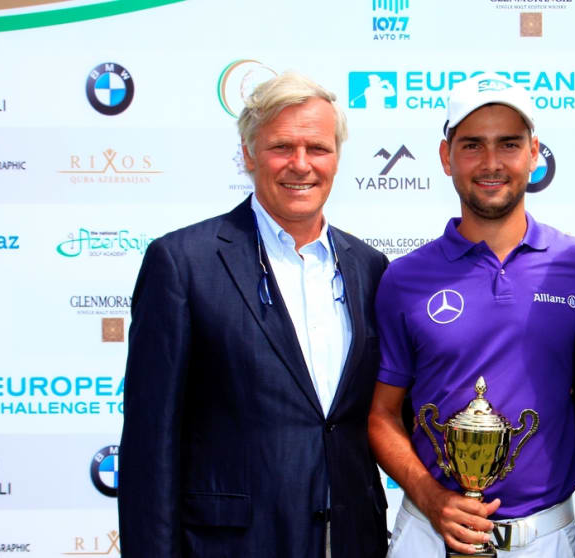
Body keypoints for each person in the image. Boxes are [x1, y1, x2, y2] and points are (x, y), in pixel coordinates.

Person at [118, 72, 389, 558]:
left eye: (318, 148)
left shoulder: (370, 268)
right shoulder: (183, 264)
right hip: (230, 545)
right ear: (248, 153)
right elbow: (149, 443)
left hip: (352, 541)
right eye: (282, 146)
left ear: (337, 158)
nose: (301, 165)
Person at [368, 75, 575, 557]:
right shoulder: (404, 278)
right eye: (473, 145)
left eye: (509, 144)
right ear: (445, 155)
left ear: (535, 153)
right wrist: (432, 496)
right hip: (429, 535)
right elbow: (381, 416)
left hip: (547, 538)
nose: (492, 163)